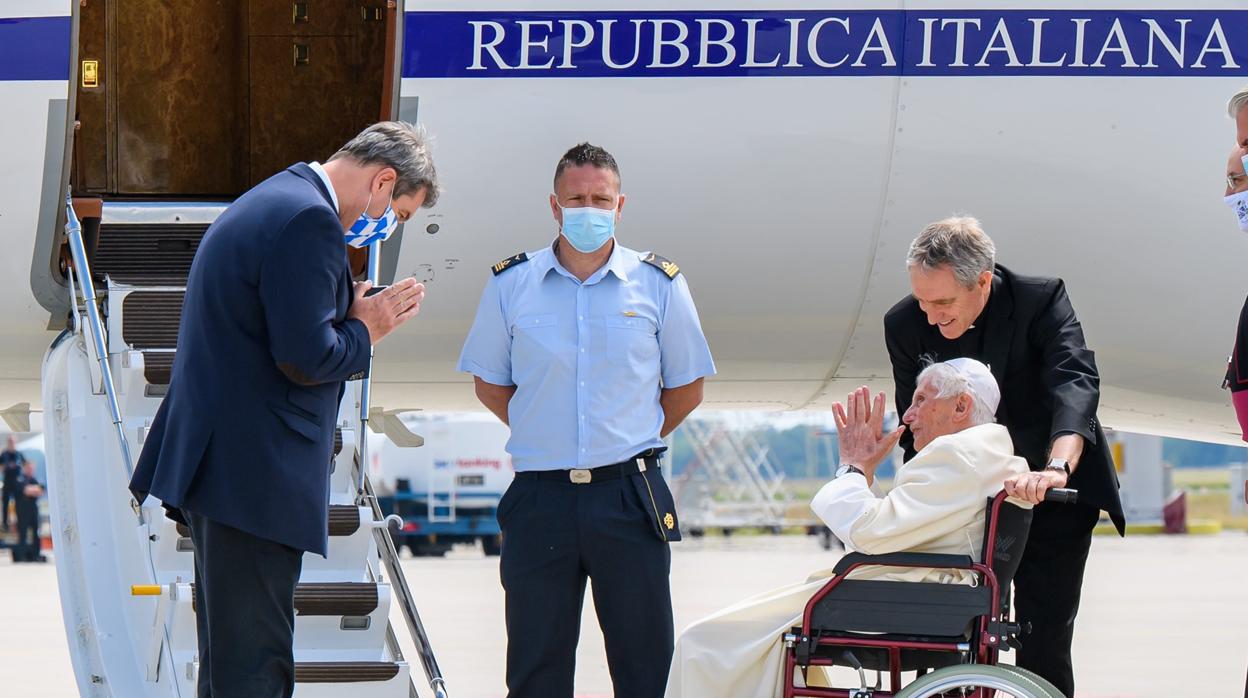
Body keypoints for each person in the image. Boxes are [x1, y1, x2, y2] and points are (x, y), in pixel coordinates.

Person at [129, 121, 438, 698]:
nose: (387, 228)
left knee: (231, 664)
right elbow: (305, 357)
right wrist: (367, 330)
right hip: (253, 476)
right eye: (399, 213)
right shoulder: (311, 221)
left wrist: (343, 306)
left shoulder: (279, 197)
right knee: (256, 670)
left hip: (224, 469)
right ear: (383, 181)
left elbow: (271, 323)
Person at [458, 142, 715, 698]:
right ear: (554, 204)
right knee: (535, 668)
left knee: (645, 666)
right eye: (577, 198)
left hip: (628, 494)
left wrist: (622, 437)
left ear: (621, 205)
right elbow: (489, 382)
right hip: (540, 499)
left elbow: (688, 386)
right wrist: (546, 430)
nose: (589, 208)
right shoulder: (511, 284)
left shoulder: (659, 284)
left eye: (601, 198)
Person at [666, 359, 1030, 698]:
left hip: (898, 601)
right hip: (920, 595)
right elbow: (901, 526)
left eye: (921, 400)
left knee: (703, 643)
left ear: (961, 407)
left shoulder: (955, 455)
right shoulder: (985, 454)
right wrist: (863, 474)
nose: (908, 414)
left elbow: (870, 532)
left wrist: (853, 468)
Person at [883, 217, 1125, 698]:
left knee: (1044, 643)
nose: (931, 318)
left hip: (1049, 490)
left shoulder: (1040, 300)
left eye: (944, 303)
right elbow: (918, 423)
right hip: (963, 506)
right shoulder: (904, 323)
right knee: (944, 639)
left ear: (984, 281)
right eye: (922, 301)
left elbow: (1074, 383)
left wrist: (1056, 468)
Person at [12, 460, 45, 563]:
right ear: (25, 468)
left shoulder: (34, 479)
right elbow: (25, 491)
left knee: (36, 533)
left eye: (32, 468)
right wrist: (34, 490)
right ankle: (22, 556)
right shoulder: (20, 478)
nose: (31, 470)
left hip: (33, 510)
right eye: (29, 468)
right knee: (23, 534)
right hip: (23, 511)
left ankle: (36, 555)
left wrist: (32, 489)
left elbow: (41, 491)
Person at [0, 435, 27, 532]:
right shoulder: (4, 454)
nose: (11, 443)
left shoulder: (19, 454)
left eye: (13, 442)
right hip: (7, 480)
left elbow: (25, 465)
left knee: (19, 503)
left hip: (17, 481)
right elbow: (1, 466)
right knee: (5, 502)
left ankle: (19, 523)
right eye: (10, 441)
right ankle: (5, 524)